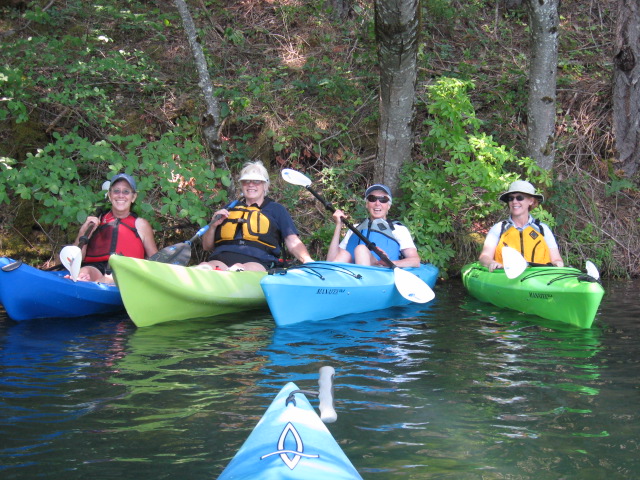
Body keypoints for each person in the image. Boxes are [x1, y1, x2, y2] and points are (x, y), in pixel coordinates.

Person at [199, 160, 314, 271]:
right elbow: (207, 246)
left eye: (256, 181)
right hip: (221, 258)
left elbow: (292, 241)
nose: (251, 185)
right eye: (246, 181)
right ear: (241, 185)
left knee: (239, 268)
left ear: (265, 185)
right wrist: (213, 226)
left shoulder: (276, 210)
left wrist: (308, 261)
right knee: (205, 266)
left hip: (259, 261)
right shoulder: (229, 208)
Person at [73, 173, 158, 283]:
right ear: (110, 195)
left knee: (107, 279)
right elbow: (76, 258)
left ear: (133, 197)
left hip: (127, 271)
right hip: (96, 267)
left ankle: (96, 289)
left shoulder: (141, 224)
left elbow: (156, 259)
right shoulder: (96, 221)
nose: (121, 195)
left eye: (126, 191)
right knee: (83, 273)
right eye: (116, 191)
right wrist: (83, 231)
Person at [478, 180, 564, 271]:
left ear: (531, 201)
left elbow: (556, 259)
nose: (514, 201)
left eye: (519, 198)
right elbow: (484, 257)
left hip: (539, 277)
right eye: (511, 198)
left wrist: (558, 263)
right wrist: (491, 263)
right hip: (505, 277)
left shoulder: (542, 229)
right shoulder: (499, 228)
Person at [327, 184, 420, 268]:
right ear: (367, 204)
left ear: (388, 206)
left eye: (383, 199)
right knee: (344, 255)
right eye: (372, 199)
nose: (377, 203)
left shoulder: (398, 230)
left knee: (361, 249)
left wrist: (390, 263)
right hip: (352, 276)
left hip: (381, 273)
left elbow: (415, 261)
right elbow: (331, 260)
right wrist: (339, 225)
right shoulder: (354, 229)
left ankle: (364, 283)